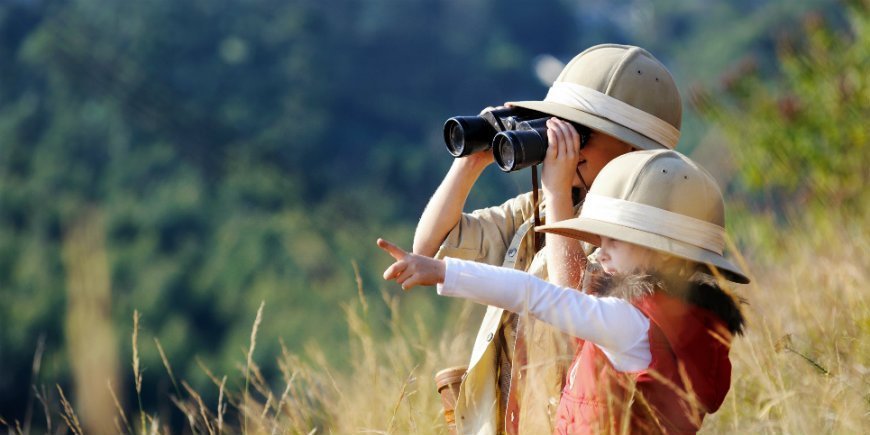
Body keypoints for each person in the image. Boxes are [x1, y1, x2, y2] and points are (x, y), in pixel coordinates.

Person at [378, 149, 749, 433]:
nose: (600, 253)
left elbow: (535, 295)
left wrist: (443, 270)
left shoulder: (631, 323)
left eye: (615, 242)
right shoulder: (686, 327)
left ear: (661, 252)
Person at [412, 44, 683, 433]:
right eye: (557, 125)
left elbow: (576, 311)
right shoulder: (538, 211)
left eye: (580, 133)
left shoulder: (641, 236)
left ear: (633, 150)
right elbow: (431, 247)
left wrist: (557, 192)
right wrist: (472, 159)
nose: (562, 142)